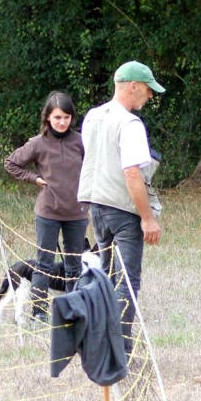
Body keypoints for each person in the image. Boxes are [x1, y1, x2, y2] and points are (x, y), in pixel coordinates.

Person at [77, 61, 164, 352]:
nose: (149, 97)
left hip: (97, 207)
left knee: (109, 277)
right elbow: (132, 174)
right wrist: (147, 218)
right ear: (133, 86)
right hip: (123, 211)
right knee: (127, 281)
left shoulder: (92, 116)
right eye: (148, 90)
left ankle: (100, 341)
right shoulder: (130, 124)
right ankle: (118, 349)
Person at [4, 91, 88, 325]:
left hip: (77, 213)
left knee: (74, 264)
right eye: (57, 117)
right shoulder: (38, 143)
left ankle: (73, 311)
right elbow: (10, 163)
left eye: (67, 117)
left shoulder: (81, 141)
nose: (62, 122)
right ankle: (39, 312)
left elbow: (93, 167)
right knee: (44, 264)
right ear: (48, 118)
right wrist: (33, 178)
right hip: (48, 213)